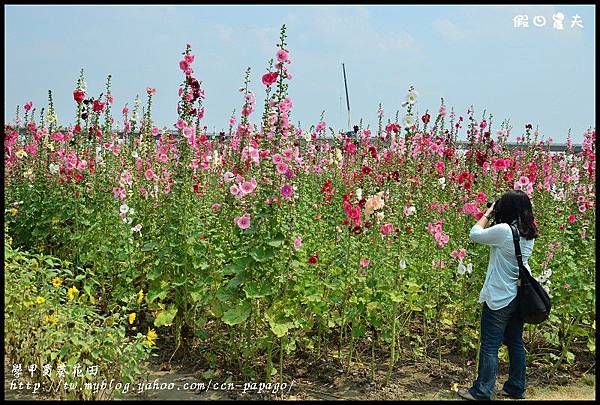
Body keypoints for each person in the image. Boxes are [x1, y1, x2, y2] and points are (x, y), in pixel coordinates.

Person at [458, 190, 538, 400]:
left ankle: (482, 391)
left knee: (490, 344)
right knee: (515, 342)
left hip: (500, 296)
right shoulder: (529, 232)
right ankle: (515, 387)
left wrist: (488, 213)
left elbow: (474, 234)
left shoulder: (504, 230)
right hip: (517, 295)